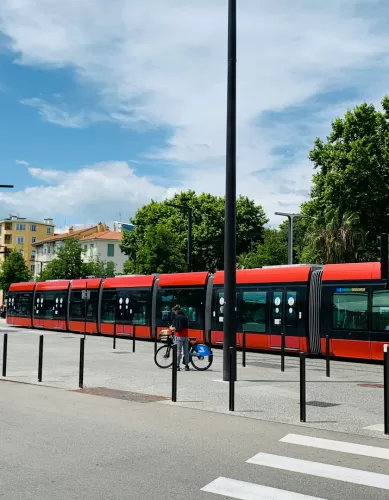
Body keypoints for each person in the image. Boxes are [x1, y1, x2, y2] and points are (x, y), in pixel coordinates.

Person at [170, 304, 190, 371]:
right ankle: (187, 366)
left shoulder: (177, 317)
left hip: (179, 336)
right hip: (186, 336)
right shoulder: (185, 317)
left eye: (174, 311)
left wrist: (172, 328)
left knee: (178, 351)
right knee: (186, 351)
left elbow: (177, 328)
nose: (174, 313)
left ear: (176, 310)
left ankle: (177, 366)